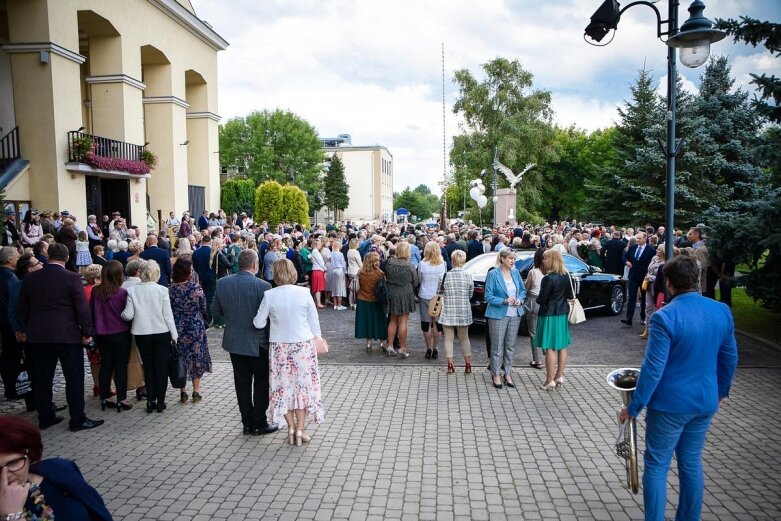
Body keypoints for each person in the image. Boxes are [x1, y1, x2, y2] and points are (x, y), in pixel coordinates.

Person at [619, 256, 738, 521]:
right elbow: (730, 359)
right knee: (691, 463)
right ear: (696, 280)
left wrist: (634, 406)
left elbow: (653, 369)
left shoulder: (664, 317)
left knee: (657, 465)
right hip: (705, 401)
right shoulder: (721, 310)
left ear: (668, 282)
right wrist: (721, 392)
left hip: (669, 404)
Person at [17, 243, 104, 431]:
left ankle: (45, 416)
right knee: (73, 377)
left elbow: (22, 308)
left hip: (39, 335)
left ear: (49, 257)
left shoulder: (31, 279)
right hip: (66, 334)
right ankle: (77, 419)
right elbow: (81, 308)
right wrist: (87, 332)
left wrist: (27, 327)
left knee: (42, 377)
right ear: (66, 258)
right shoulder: (71, 278)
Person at [253, 258, 324, 446]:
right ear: (292, 272)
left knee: (282, 389)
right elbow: (314, 321)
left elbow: (258, 323)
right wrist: (317, 338)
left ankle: (291, 428)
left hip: (279, 348)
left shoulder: (269, 295)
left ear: (275, 274)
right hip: (303, 346)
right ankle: (300, 430)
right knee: (302, 389)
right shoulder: (304, 292)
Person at [211, 250, 277, 436]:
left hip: (235, 341)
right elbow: (270, 317)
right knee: (261, 383)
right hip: (258, 343)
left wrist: (232, 320)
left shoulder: (222, 283)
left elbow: (215, 310)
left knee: (242, 383)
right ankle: (259, 421)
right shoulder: (263, 286)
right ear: (255, 265)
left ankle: (247, 423)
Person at [0, 416, 113, 520]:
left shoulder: (59, 470)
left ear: (30, 456)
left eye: (13, 463)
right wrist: (12, 515)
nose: (5, 475)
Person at [121, 260, 178, 414]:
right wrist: (174, 334)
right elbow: (168, 315)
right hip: (161, 332)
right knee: (161, 368)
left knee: (148, 366)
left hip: (141, 333)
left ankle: (150, 400)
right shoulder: (162, 290)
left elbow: (128, 315)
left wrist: (121, 314)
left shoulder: (132, 291)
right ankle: (160, 401)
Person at [91, 261, 133, 412]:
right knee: (121, 366)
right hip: (120, 332)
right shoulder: (121, 293)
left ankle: (105, 396)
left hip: (102, 333)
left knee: (106, 364)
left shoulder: (96, 292)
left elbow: (92, 313)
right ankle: (122, 398)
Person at [168, 258, 210, 404]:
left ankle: (183, 391)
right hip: (195, 326)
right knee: (196, 357)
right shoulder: (195, 288)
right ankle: (196, 391)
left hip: (178, 326)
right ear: (187, 271)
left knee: (182, 357)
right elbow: (204, 307)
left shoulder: (171, 289)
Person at [484, 247, 526, 389]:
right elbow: (488, 296)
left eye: (514, 259)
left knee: (510, 346)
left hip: (515, 314)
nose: (513, 261)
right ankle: (495, 374)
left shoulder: (516, 273)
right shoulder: (493, 274)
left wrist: (519, 300)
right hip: (497, 314)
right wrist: (504, 301)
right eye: (510, 258)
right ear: (502, 258)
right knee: (497, 347)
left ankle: (507, 373)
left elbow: (523, 291)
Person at [536, 249, 573, 391]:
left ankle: (549, 380)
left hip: (549, 315)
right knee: (562, 345)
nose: (543, 261)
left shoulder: (548, 278)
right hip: (562, 314)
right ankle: (558, 376)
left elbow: (541, 299)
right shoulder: (565, 275)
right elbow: (570, 295)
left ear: (551, 260)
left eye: (545, 258)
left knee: (550, 347)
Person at [438, 250, 474, 374]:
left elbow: (439, 294)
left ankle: (450, 364)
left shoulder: (444, 276)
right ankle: (468, 363)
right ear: (463, 261)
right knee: (464, 338)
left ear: (452, 261)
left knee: (448, 339)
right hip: (463, 310)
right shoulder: (468, 276)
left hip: (448, 310)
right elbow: (470, 294)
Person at [384, 241, 418, 359]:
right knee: (403, 321)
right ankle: (403, 348)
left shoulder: (389, 263)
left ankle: (390, 346)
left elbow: (385, 276)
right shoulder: (410, 265)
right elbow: (416, 281)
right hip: (405, 293)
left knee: (393, 319)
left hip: (392, 293)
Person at [417, 241, 446, 359]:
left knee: (426, 323)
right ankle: (436, 348)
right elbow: (444, 280)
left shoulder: (422, 264)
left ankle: (428, 348)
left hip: (424, 294)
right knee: (437, 323)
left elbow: (420, 279)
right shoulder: (442, 264)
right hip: (438, 296)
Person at [354, 252, 387, 351]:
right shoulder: (380, 274)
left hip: (363, 299)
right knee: (380, 321)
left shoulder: (361, 272)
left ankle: (369, 344)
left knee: (367, 322)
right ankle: (382, 342)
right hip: (377, 300)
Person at [621, 231, 656, 327]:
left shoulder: (651, 250)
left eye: (640, 238)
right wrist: (627, 262)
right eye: (637, 238)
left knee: (644, 298)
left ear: (645, 239)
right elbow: (624, 257)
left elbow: (652, 263)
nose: (638, 240)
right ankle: (629, 319)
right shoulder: (633, 248)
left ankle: (643, 318)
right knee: (631, 296)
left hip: (644, 277)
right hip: (633, 275)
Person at [524, 248, 544, 369]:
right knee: (545, 330)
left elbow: (526, 288)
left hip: (533, 301)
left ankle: (538, 360)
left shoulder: (533, 272)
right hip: (546, 303)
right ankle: (548, 354)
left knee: (533, 332)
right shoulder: (550, 272)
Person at [641, 244, 667, 339]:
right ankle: (647, 329)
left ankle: (656, 330)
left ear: (663, 251)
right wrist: (647, 276)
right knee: (648, 307)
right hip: (649, 285)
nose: (656, 251)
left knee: (658, 307)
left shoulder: (666, 261)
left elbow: (662, 277)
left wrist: (650, 277)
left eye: (659, 250)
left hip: (658, 286)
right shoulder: (654, 258)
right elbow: (649, 270)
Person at [346, 238, 363, 310]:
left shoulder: (349, 251)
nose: (359, 244)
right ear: (355, 244)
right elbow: (359, 263)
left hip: (350, 271)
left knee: (351, 289)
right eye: (358, 243)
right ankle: (355, 304)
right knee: (356, 289)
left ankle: (351, 303)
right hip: (355, 271)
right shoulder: (356, 252)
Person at [309, 238, 327, 308]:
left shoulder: (314, 251)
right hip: (318, 270)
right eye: (319, 244)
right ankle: (318, 303)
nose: (320, 245)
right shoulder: (316, 252)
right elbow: (321, 263)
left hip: (316, 270)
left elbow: (310, 257)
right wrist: (326, 269)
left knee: (317, 288)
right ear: (315, 245)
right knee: (318, 289)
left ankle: (317, 303)